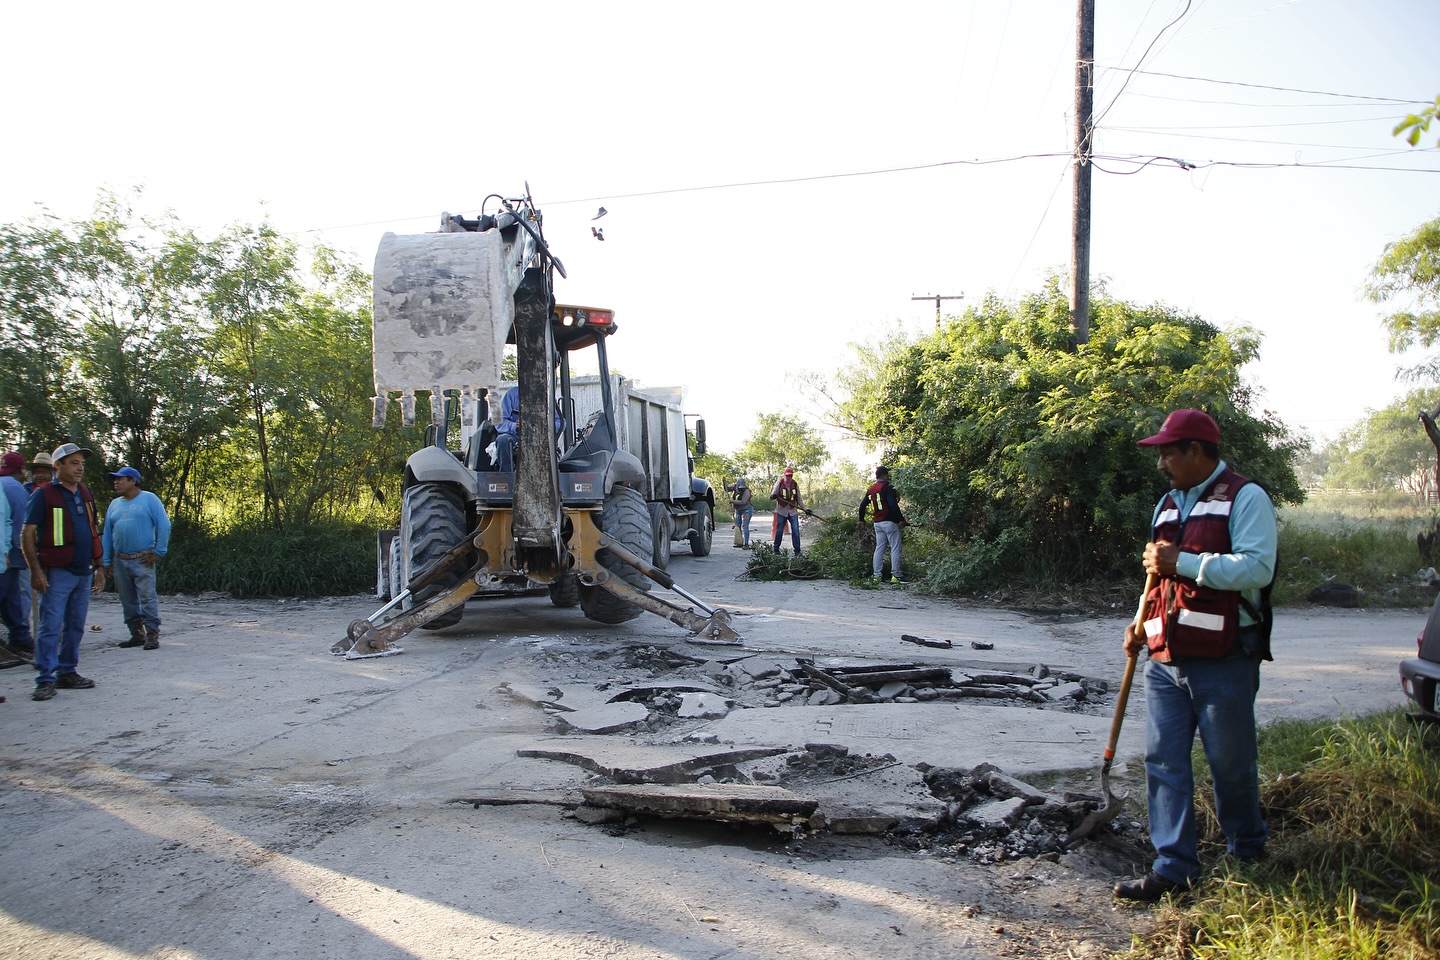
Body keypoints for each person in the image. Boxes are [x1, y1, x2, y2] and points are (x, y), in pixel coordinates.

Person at [1113, 409, 1277, 903]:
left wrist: (1182, 562)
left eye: (1168, 453)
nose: (1161, 463)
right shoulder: (1166, 505)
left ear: (1197, 451)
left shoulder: (1246, 498)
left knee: (1230, 762)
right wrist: (1139, 622)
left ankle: (1247, 852)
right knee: (1163, 761)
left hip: (1226, 657)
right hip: (1164, 658)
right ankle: (1173, 868)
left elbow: (1258, 568)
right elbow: (1157, 579)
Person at [22, 443, 106, 702]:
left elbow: (92, 530)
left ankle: (67, 672)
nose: (80, 468)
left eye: (82, 463)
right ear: (57, 466)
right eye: (74, 463)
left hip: (83, 571)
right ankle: (45, 679)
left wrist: (99, 566)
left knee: (75, 626)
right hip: (57, 571)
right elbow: (27, 534)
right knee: (50, 626)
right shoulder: (44, 494)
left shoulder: (84, 492)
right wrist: (36, 571)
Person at [101, 466, 171, 650]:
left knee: (147, 597)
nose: (116, 482)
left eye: (120, 479)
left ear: (133, 481)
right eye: (115, 479)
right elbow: (107, 533)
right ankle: (136, 634)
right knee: (127, 600)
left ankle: (152, 634)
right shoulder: (114, 504)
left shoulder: (149, 499)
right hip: (120, 559)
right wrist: (106, 560)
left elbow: (164, 525)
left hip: (142, 558)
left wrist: (159, 551)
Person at [0, 452, 34, 656]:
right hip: (10, 554)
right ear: (21, 470)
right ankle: (20, 638)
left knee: (11, 598)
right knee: (10, 596)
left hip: (6, 552)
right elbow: (21, 524)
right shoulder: (16, 488)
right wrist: (23, 551)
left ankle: (20, 638)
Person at [494, 386, 565, 473]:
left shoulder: (548, 397)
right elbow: (499, 421)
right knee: (502, 440)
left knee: (550, 443)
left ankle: (549, 473)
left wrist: (544, 426)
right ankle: (507, 474)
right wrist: (514, 425)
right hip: (516, 436)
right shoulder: (512, 394)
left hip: (540, 437)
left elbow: (561, 423)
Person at [858, 465, 907, 583]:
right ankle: (896, 575)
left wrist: (861, 520)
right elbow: (892, 504)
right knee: (895, 548)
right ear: (883, 475)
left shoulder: (871, 489)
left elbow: (862, 506)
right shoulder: (888, 487)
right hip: (889, 522)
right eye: (887, 474)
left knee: (879, 548)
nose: (889, 476)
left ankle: (877, 576)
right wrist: (901, 519)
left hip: (877, 523)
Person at [769, 467, 805, 554]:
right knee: (779, 531)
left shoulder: (795, 484)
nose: (788, 477)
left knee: (795, 531)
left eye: (790, 476)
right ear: (784, 475)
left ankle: (797, 550)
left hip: (793, 511)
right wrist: (773, 496)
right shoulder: (779, 483)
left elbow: (799, 499)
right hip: (782, 511)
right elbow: (773, 494)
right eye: (787, 475)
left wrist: (805, 508)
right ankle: (776, 549)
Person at [726, 478, 754, 548]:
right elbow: (727, 489)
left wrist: (732, 501)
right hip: (738, 510)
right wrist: (724, 484)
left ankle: (746, 544)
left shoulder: (747, 491)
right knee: (737, 526)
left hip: (746, 510)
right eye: (739, 488)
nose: (741, 489)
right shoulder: (734, 487)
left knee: (745, 526)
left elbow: (743, 501)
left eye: (742, 488)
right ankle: (739, 542)